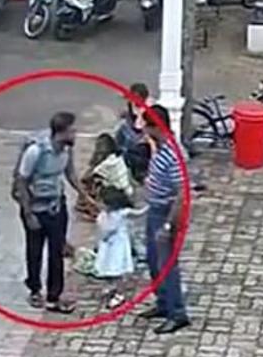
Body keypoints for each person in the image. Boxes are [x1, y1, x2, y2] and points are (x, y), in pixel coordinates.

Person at [13, 111, 94, 313]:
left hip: (56, 206)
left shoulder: (67, 151)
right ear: (62, 132)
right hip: (35, 207)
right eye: (72, 131)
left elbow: (71, 174)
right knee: (35, 250)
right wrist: (28, 213)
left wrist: (86, 196)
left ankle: (54, 296)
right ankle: (34, 288)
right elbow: (21, 181)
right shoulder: (36, 152)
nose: (75, 134)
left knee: (57, 251)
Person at [139, 104, 190, 334]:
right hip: (154, 209)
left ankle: (177, 313)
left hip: (166, 212)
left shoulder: (173, 153)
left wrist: (169, 225)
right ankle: (162, 303)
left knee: (167, 265)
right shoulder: (159, 147)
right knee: (153, 260)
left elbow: (182, 193)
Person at [94, 185, 146, 307]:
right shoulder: (104, 214)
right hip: (107, 246)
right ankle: (111, 286)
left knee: (118, 271)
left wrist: (151, 205)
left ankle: (120, 293)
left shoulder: (121, 213)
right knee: (107, 267)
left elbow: (138, 213)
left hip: (117, 247)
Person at [75, 133, 133, 222]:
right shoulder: (117, 157)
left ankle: (94, 211)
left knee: (91, 183)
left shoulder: (107, 164)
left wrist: (94, 162)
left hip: (117, 193)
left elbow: (86, 178)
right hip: (126, 191)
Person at [115, 82, 153, 182]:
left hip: (144, 135)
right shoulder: (132, 104)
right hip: (134, 129)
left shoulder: (149, 109)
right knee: (120, 129)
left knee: (128, 141)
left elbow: (144, 128)